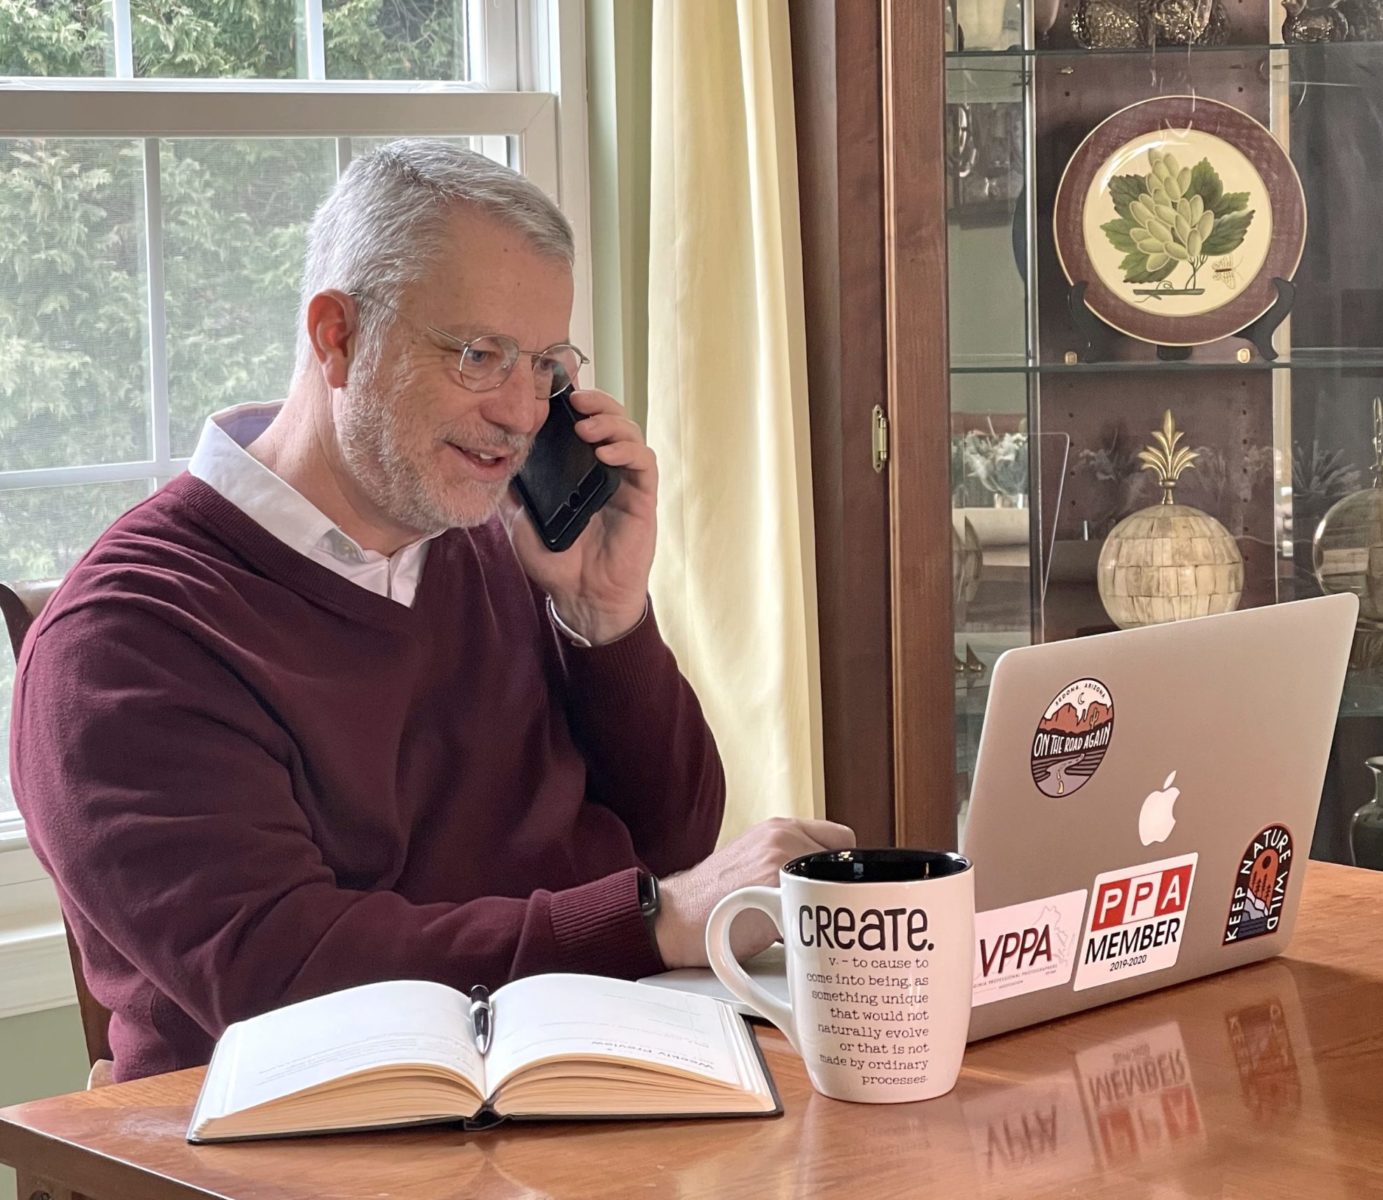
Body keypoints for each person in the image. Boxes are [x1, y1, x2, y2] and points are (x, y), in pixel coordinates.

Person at [10, 141, 854, 1083]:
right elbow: (286, 973)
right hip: (306, 1142)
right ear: (336, 337)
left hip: (588, 1080)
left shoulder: (492, 545)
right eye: (479, 354)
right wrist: (652, 920)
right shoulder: (123, 643)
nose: (523, 414)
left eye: (544, 365)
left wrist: (602, 622)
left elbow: (673, 845)